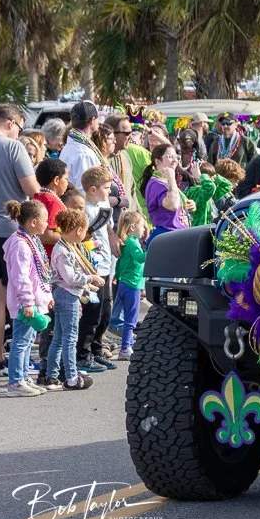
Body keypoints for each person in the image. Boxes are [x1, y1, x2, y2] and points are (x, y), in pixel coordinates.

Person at [0, 104, 40, 377]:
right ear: (10, 123)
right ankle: (20, 362)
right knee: (21, 292)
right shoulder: (12, 147)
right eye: (19, 128)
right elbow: (32, 188)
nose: (19, 133)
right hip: (9, 229)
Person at [2, 199, 53, 397]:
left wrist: (46, 296)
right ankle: (15, 382)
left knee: (28, 340)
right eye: (45, 220)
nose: (48, 224)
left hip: (33, 302)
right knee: (21, 342)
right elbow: (20, 276)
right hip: (25, 304)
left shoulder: (32, 240)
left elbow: (40, 274)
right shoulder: (20, 245)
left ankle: (23, 376)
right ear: (33, 222)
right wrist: (27, 301)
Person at [47, 209, 101, 391]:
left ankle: (52, 375)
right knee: (70, 338)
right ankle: (71, 377)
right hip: (67, 294)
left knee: (60, 338)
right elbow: (70, 278)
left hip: (66, 294)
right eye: (85, 230)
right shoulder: (63, 250)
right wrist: (90, 278)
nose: (85, 235)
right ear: (78, 230)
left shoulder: (65, 246)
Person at [32, 158, 70, 385]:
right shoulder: (50, 200)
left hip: (46, 266)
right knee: (54, 322)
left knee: (53, 321)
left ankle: (52, 368)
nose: (68, 182)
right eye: (65, 178)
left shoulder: (41, 197)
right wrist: (72, 238)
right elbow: (47, 233)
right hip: (52, 267)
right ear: (56, 180)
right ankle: (49, 370)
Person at [77, 166, 117, 373]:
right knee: (92, 313)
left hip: (106, 264)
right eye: (106, 187)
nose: (109, 191)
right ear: (92, 189)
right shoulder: (84, 208)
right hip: (93, 267)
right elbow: (84, 236)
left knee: (105, 312)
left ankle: (96, 348)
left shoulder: (102, 204)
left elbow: (107, 230)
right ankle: (83, 355)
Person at [112, 210, 147, 361]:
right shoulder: (133, 243)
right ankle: (126, 347)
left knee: (123, 315)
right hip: (132, 285)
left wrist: (117, 276)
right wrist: (153, 248)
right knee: (131, 319)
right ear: (133, 227)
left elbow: (120, 263)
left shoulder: (126, 243)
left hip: (123, 282)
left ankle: (128, 344)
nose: (144, 230)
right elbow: (140, 258)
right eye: (142, 226)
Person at [142, 144, 194, 243]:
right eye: (170, 157)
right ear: (157, 161)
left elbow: (177, 206)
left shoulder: (165, 182)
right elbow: (173, 205)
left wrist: (189, 205)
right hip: (166, 237)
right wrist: (171, 177)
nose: (175, 161)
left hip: (178, 235)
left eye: (177, 157)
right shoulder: (156, 184)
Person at [60, 101, 103, 191]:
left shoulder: (71, 146)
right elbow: (85, 190)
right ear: (92, 120)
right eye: (97, 119)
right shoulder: (84, 153)